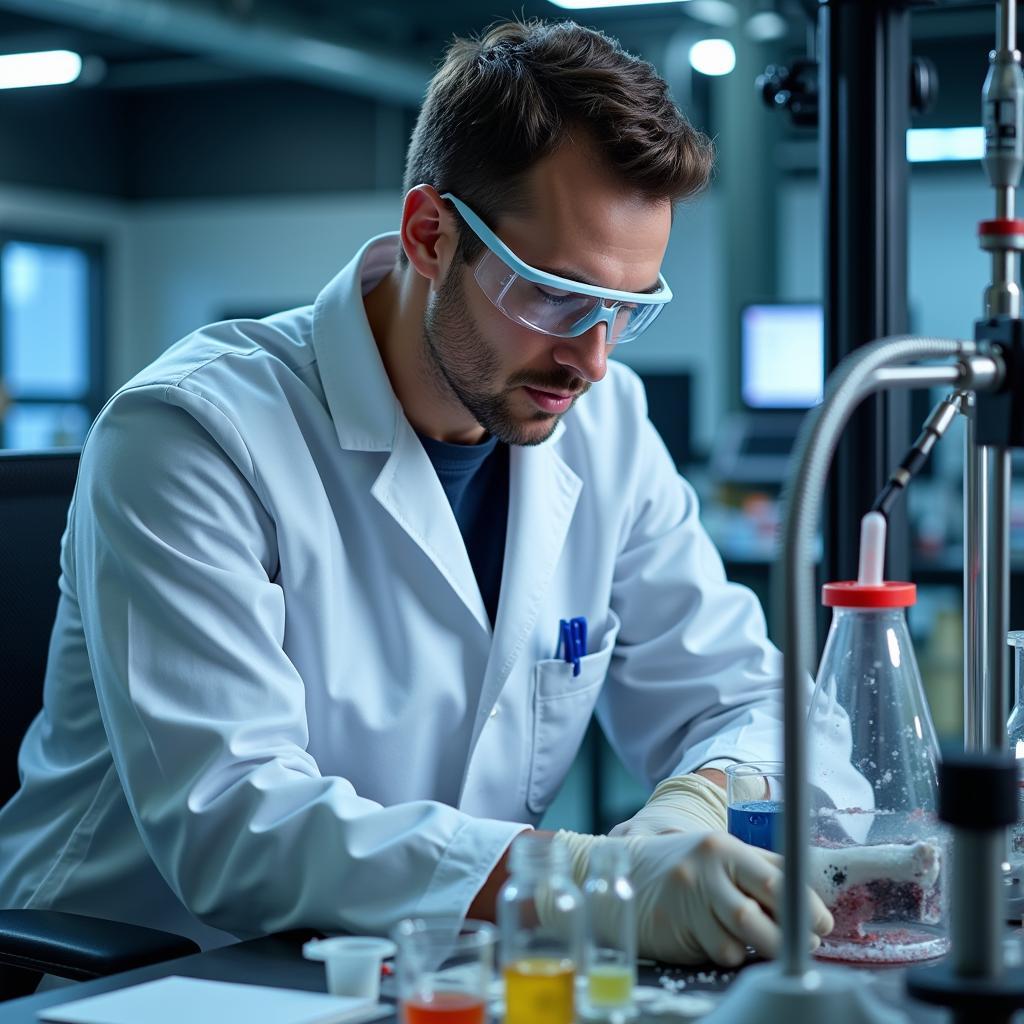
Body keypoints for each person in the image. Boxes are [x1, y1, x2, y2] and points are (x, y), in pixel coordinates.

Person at [0, 19, 836, 967]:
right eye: (558, 295)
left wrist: (698, 800)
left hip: (427, 963)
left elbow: (749, 699)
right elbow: (236, 824)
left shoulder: (606, 425)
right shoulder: (189, 434)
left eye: (626, 309)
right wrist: (585, 883)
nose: (592, 359)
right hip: (149, 968)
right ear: (430, 235)